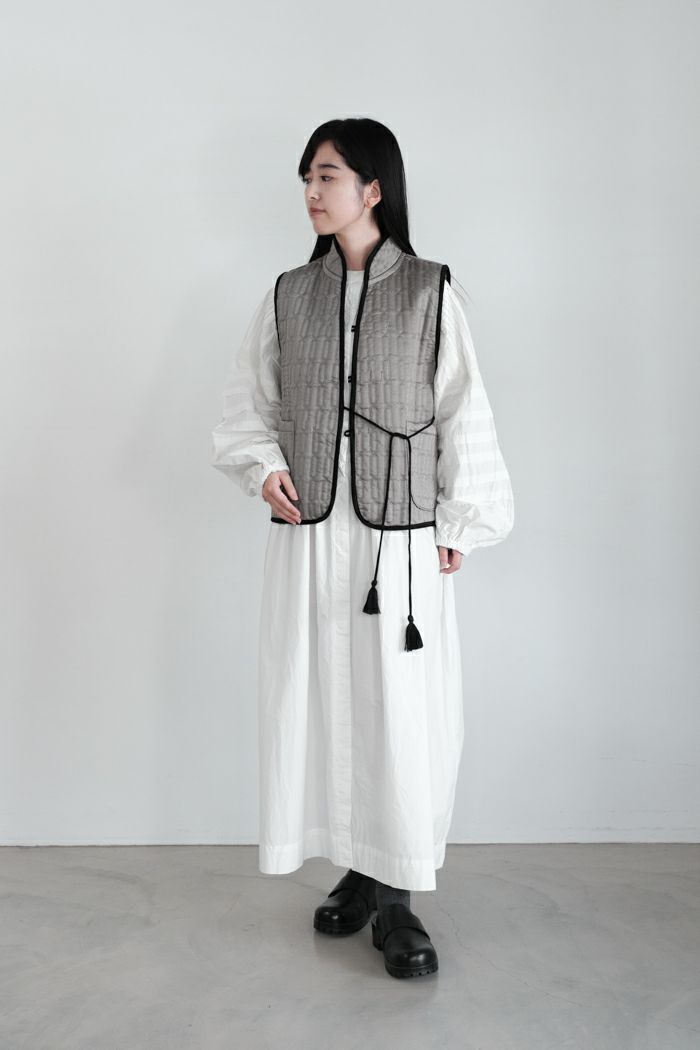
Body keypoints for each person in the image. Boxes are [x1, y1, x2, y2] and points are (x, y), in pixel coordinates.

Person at [211, 118, 514, 979]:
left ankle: (398, 896)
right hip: (310, 537)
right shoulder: (288, 295)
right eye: (307, 178)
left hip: (399, 545)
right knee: (323, 699)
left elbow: (463, 409)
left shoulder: (428, 290)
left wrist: (460, 523)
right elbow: (247, 405)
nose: (312, 192)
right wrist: (264, 468)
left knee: (398, 710)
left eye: (328, 176)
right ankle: (354, 867)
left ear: (373, 188)